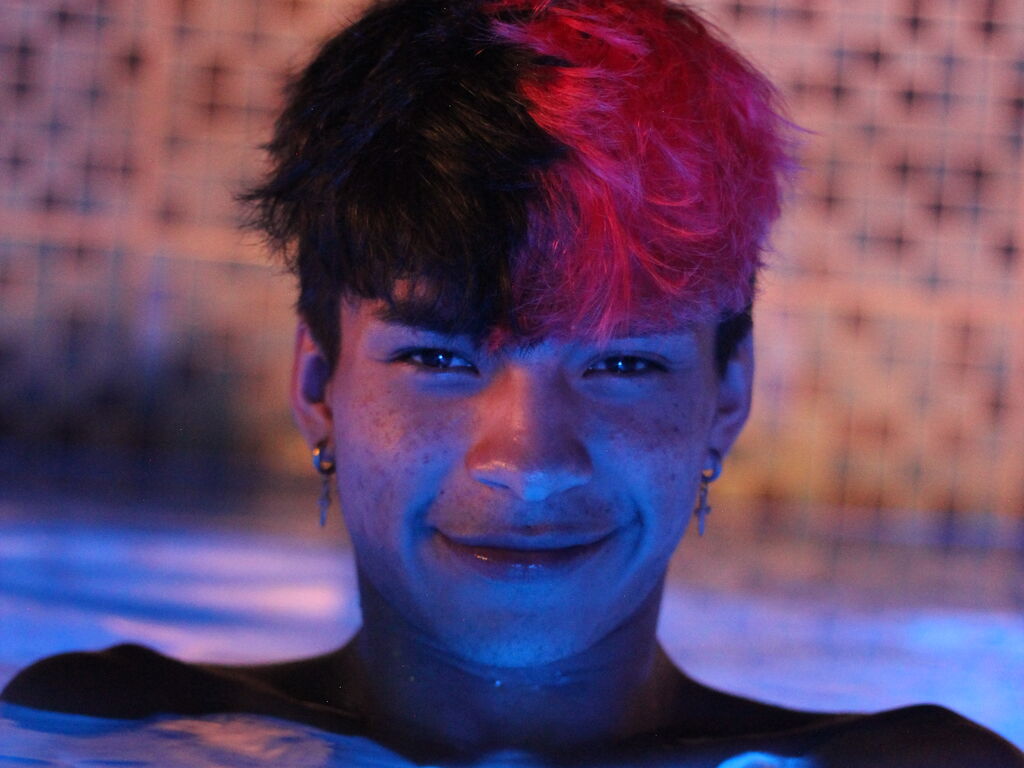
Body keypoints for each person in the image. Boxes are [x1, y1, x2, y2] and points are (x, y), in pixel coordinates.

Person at [3, 0, 1022, 765]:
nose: (530, 465)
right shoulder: (112, 731)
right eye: (440, 359)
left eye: (623, 363)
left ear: (724, 396)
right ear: (318, 385)